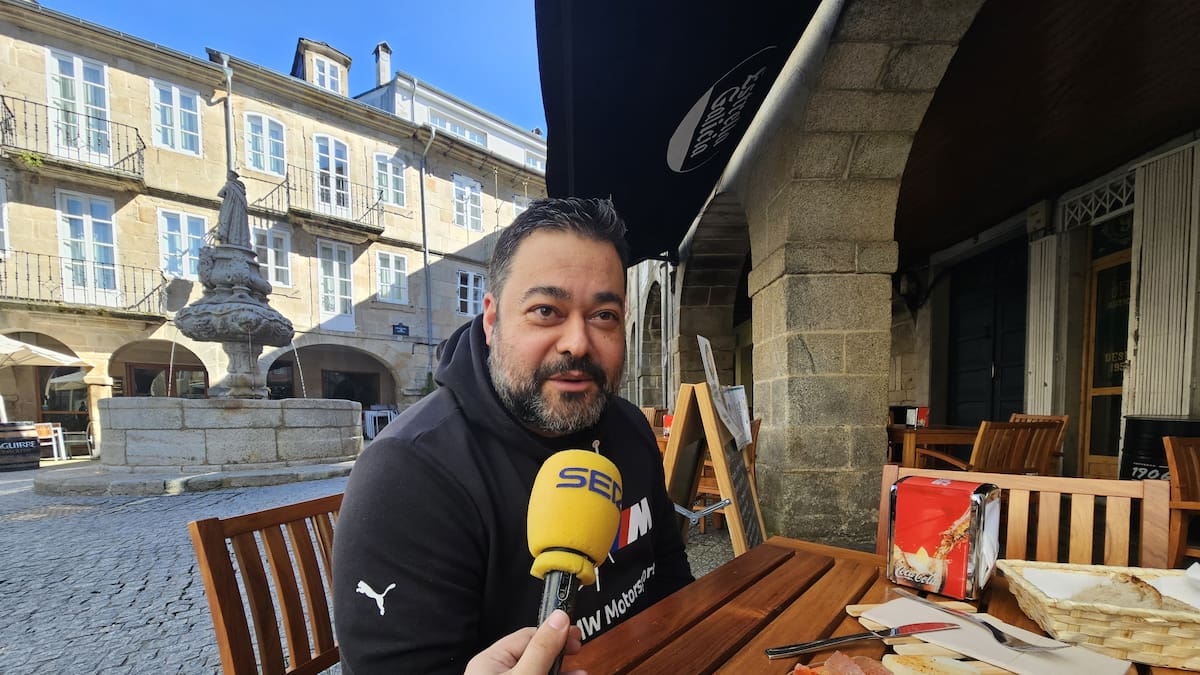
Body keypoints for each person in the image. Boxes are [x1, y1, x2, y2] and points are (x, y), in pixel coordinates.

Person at [333, 197, 694, 673]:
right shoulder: (408, 475)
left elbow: (669, 580)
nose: (578, 342)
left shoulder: (628, 426)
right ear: (492, 319)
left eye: (604, 315)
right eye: (546, 310)